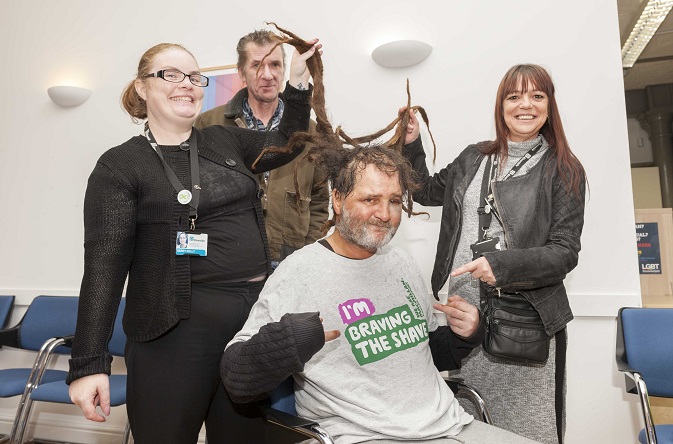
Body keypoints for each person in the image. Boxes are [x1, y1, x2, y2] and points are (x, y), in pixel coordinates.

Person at [66, 40, 321, 443]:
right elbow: (103, 269)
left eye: (194, 76)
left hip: (247, 327)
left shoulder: (223, 140)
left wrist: (298, 84)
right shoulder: (119, 166)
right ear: (141, 87)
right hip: (173, 331)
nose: (187, 84)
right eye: (170, 74)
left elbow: (290, 141)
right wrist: (87, 365)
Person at [221, 145, 540, 444]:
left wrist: (466, 334)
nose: (385, 214)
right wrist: (287, 343)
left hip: (447, 424)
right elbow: (237, 379)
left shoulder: (400, 262)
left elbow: (421, 351)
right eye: (370, 199)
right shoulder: (299, 272)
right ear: (337, 199)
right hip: (360, 434)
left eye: (394, 200)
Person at [402, 64, 586, 444]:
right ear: (501, 105)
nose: (526, 105)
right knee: (469, 427)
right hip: (465, 318)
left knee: (525, 432)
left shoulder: (564, 168)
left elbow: (564, 253)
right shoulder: (474, 158)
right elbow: (422, 190)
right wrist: (411, 142)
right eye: (514, 96)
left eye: (537, 96)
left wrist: (500, 266)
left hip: (525, 321)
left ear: (549, 106)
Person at [195, 30, 329, 268]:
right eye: (256, 65)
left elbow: (319, 199)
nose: (267, 75)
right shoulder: (209, 124)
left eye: (275, 64)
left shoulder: (310, 131)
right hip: (229, 262)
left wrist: (307, 251)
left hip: (292, 260)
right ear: (242, 73)